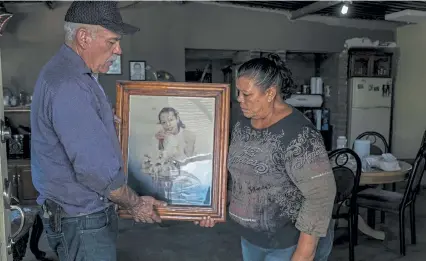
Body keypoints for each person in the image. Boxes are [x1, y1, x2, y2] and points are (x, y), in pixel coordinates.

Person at [31, 2, 166, 261]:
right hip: (82, 221)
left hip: (74, 216)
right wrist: (136, 204)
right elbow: (96, 170)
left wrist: (104, 121)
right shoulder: (71, 84)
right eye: (112, 41)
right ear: (83, 37)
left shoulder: (68, 73)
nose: (119, 50)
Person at [196, 54, 337, 261]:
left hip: (288, 244)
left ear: (270, 93)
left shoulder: (299, 134)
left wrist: (303, 255)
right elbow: (239, 176)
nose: (239, 99)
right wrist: (215, 207)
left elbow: (320, 196)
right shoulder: (243, 125)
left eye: (246, 94)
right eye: (238, 92)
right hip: (252, 239)